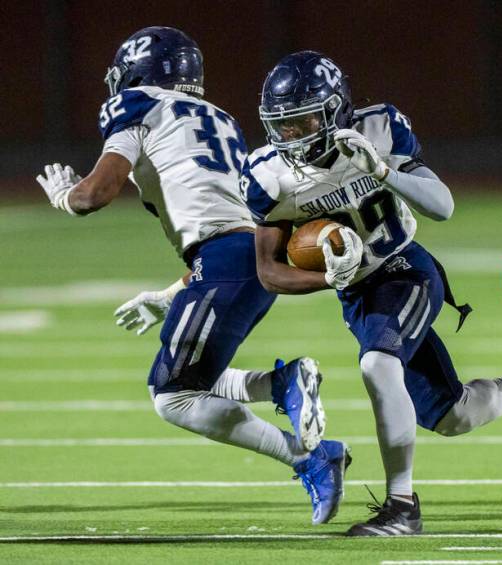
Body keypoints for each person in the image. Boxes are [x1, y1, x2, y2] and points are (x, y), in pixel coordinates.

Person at [242, 51, 502, 537]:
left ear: (335, 111)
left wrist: (383, 172)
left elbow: (443, 206)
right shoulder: (268, 175)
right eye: (282, 125)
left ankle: (401, 508)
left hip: (404, 270)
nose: (292, 135)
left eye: (303, 121)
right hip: (358, 292)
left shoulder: (378, 130)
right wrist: (330, 278)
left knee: (378, 364)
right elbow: (269, 272)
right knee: (453, 415)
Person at [33, 27, 348, 525]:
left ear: (136, 73)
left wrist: (66, 198)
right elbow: (223, 214)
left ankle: (308, 451)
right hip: (248, 256)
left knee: (173, 396)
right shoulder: (218, 118)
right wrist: (168, 294)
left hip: (226, 259)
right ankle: (281, 387)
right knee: (189, 379)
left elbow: (97, 192)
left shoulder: (134, 105)